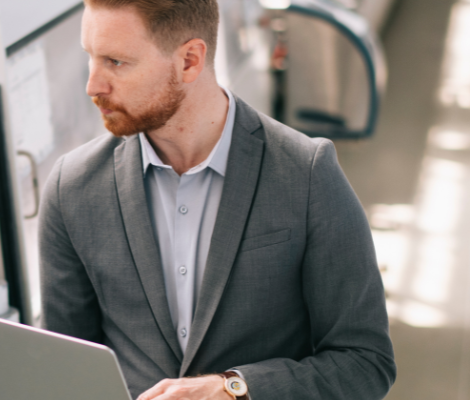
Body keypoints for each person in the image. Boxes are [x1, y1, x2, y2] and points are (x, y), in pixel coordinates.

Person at [38, 0, 397, 399]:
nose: (93, 85)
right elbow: (64, 369)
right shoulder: (72, 189)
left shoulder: (307, 174)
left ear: (190, 60)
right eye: (90, 58)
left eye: (116, 62)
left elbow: (365, 362)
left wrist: (233, 390)